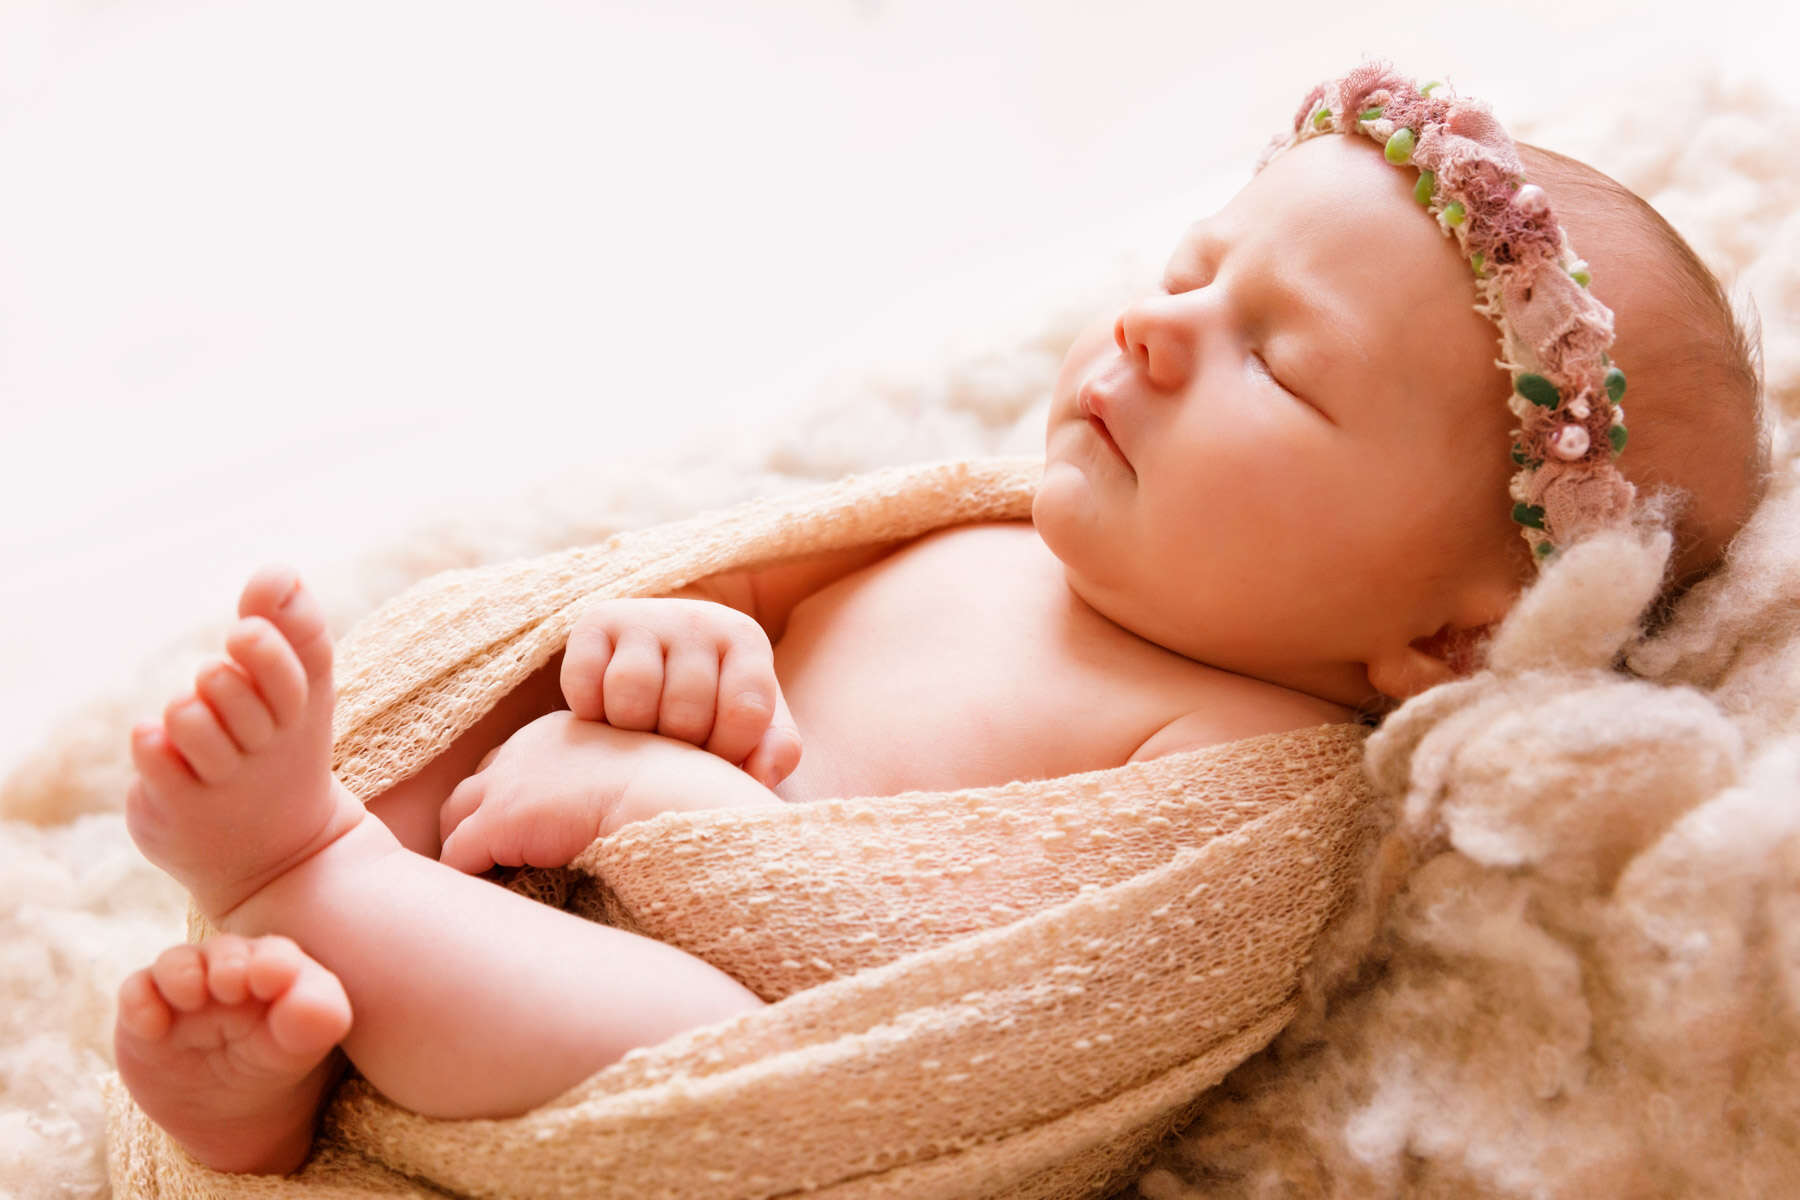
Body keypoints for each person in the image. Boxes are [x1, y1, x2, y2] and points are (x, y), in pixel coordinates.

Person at [110, 63, 1770, 1176]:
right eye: (1190, 271)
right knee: (459, 718)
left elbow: (946, 1012)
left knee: (688, 1049)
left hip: (682, 1051)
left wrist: (666, 805)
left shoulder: (1253, 776)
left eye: (1277, 362)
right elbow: (745, 575)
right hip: (505, 859)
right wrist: (674, 641)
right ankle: (281, 1062)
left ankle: (304, 885)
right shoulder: (988, 520)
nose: (1158, 329)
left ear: (1450, 646)